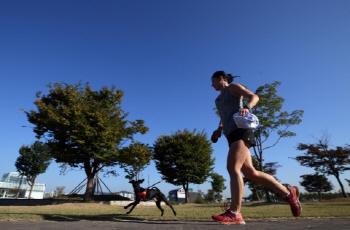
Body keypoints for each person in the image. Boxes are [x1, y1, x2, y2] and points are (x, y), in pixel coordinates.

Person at [210, 70, 301, 225]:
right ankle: (288, 193)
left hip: (241, 131)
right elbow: (223, 116)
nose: (211, 85)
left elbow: (254, 96)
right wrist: (219, 130)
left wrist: (247, 106)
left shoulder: (233, 88)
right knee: (250, 173)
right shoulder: (217, 99)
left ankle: (234, 213)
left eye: (213, 81)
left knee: (233, 168)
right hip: (230, 135)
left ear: (221, 79)